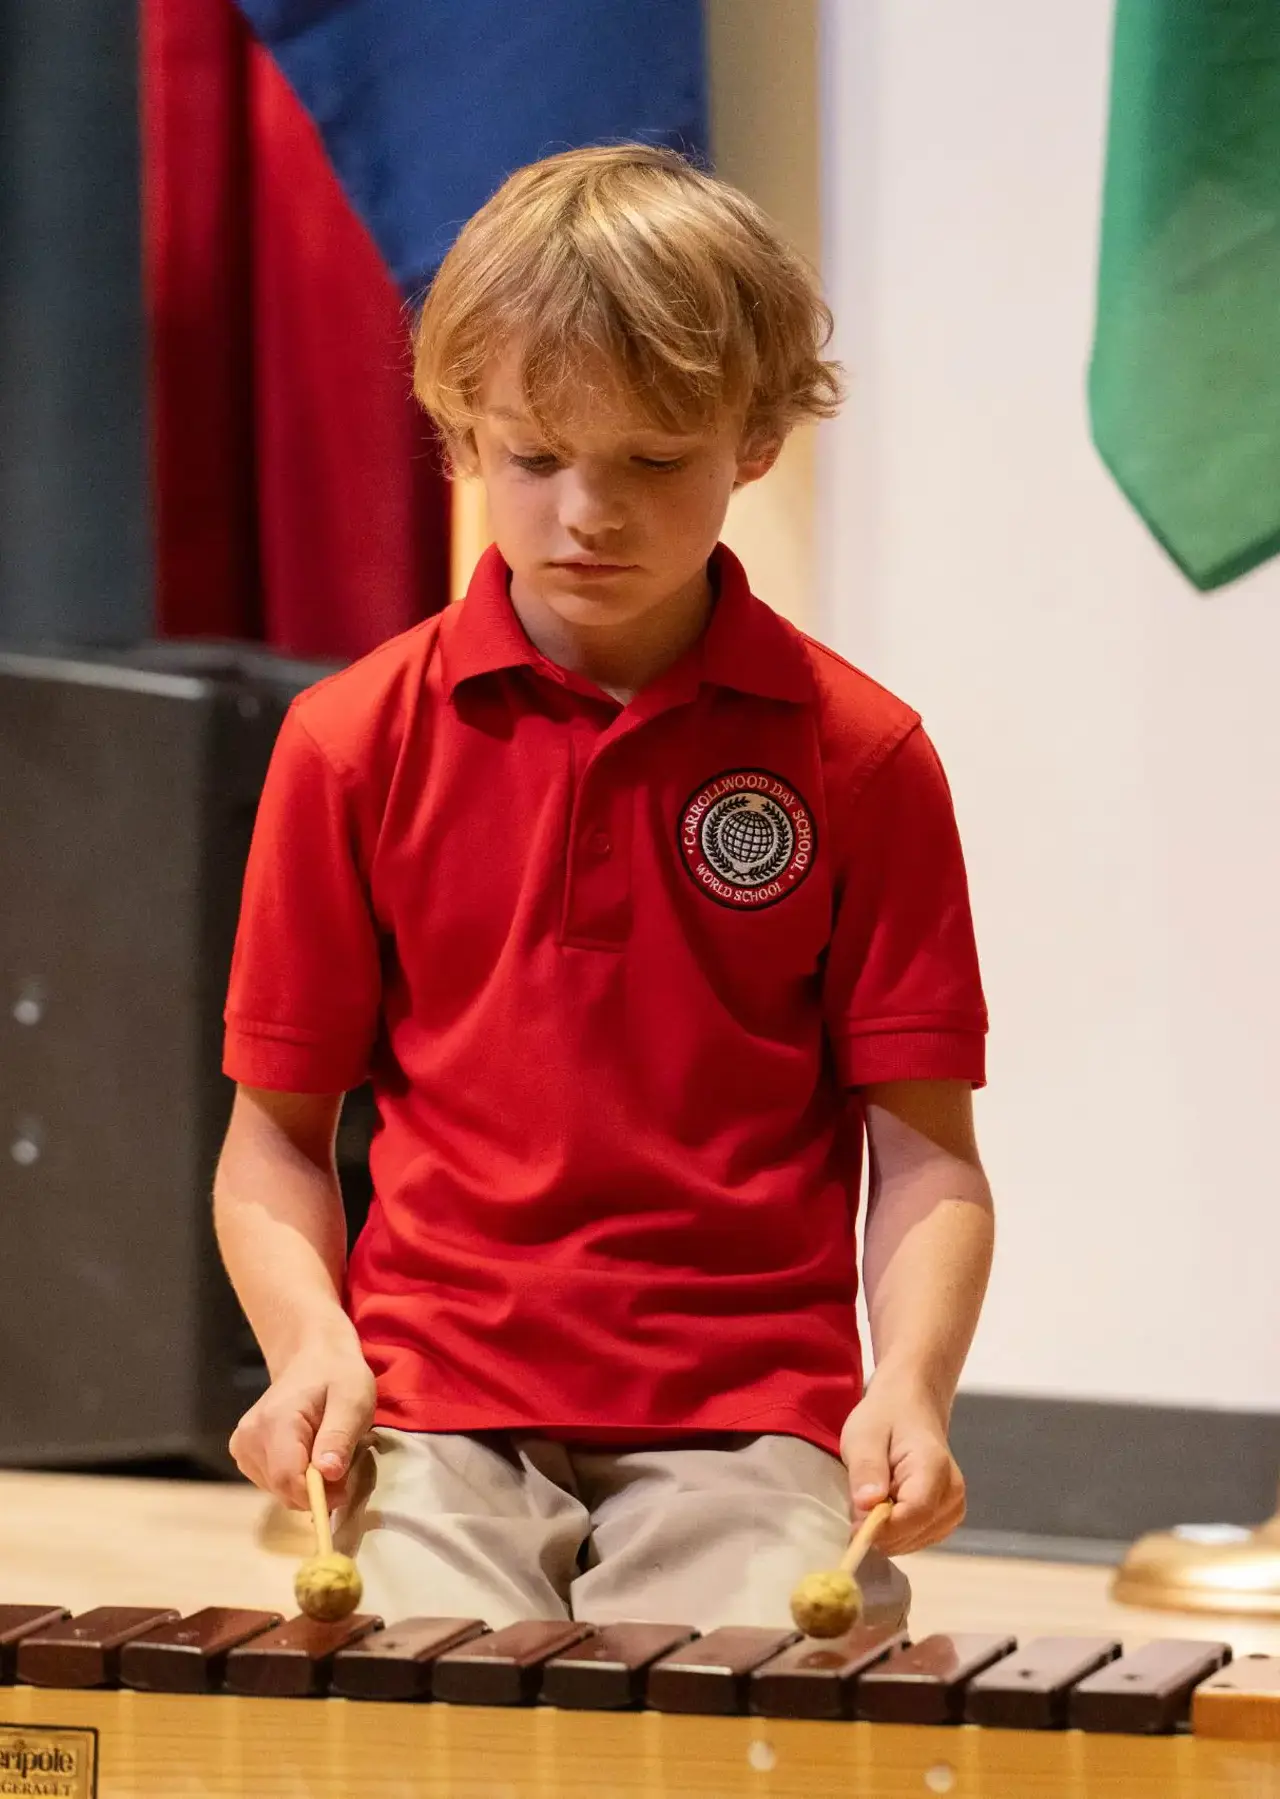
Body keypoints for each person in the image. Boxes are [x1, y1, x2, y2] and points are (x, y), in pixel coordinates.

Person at [214, 143, 994, 1632]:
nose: (590, 512)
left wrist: (910, 1380)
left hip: (752, 1415)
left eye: (653, 459)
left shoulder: (862, 757)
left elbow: (928, 1161)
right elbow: (275, 1145)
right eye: (537, 455)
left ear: (755, 442)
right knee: (417, 1705)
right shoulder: (347, 745)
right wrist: (307, 1342)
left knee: (749, 1710)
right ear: (461, 433)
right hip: (434, 1407)